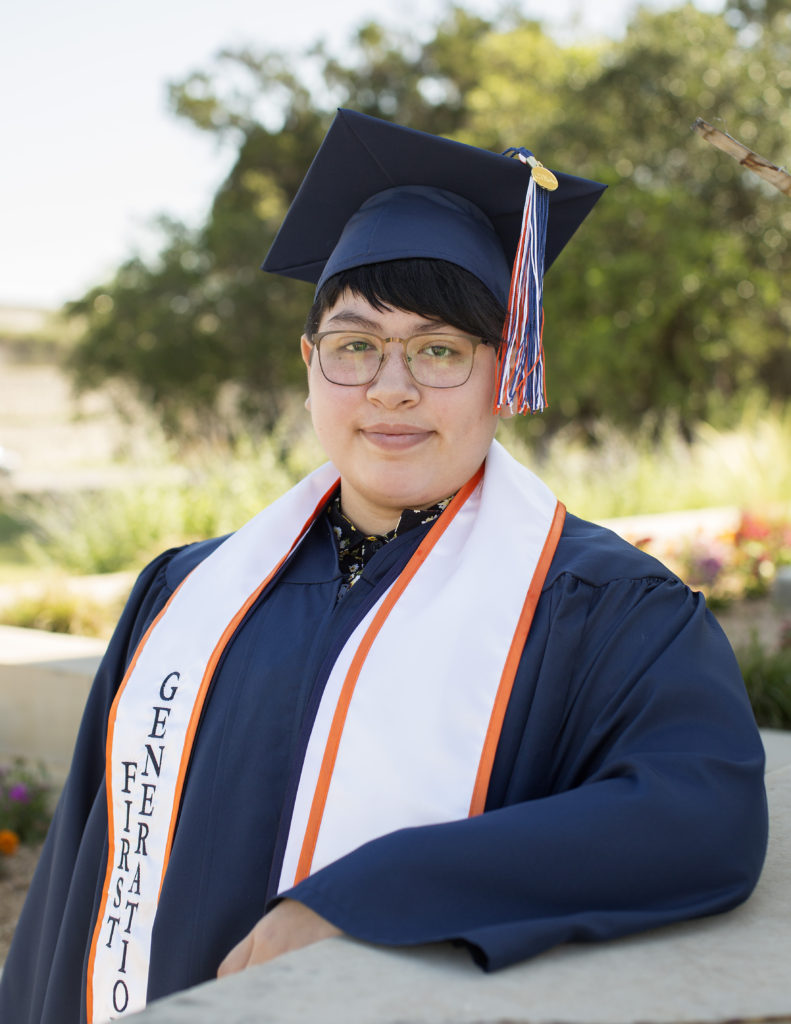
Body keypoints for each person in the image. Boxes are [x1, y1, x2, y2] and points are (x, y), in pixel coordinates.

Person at [0, 109, 767, 1024]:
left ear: (504, 372)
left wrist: (364, 895)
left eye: (439, 350)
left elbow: (698, 814)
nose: (390, 386)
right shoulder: (182, 596)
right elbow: (82, 885)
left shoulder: (604, 609)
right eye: (355, 345)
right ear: (310, 364)